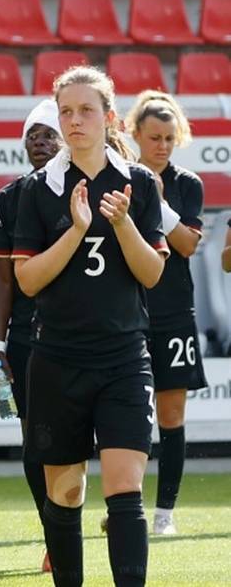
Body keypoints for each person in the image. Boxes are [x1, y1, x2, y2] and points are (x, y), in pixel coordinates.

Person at [13, 66, 167, 587]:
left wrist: (121, 223)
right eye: (66, 111)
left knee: (125, 487)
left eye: (86, 110)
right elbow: (27, 281)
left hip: (124, 359)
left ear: (109, 117)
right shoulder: (39, 188)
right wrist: (77, 231)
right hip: (57, 358)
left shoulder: (140, 182)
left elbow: (152, 272)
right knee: (68, 493)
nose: (75, 120)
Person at [124, 91, 206, 537]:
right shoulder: (119, 179)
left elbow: (188, 245)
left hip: (174, 312)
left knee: (172, 416)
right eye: (154, 137)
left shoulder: (187, 183)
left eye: (170, 139)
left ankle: (165, 514)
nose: (162, 146)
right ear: (135, 134)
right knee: (129, 416)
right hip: (126, 313)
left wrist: (160, 201)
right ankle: (127, 506)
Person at [0, 98, 62, 574]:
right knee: (37, 442)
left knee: (76, 443)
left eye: (47, 133)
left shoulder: (90, 190)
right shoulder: (10, 198)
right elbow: (4, 279)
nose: (38, 141)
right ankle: (55, 536)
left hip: (82, 335)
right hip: (27, 341)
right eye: (32, 133)